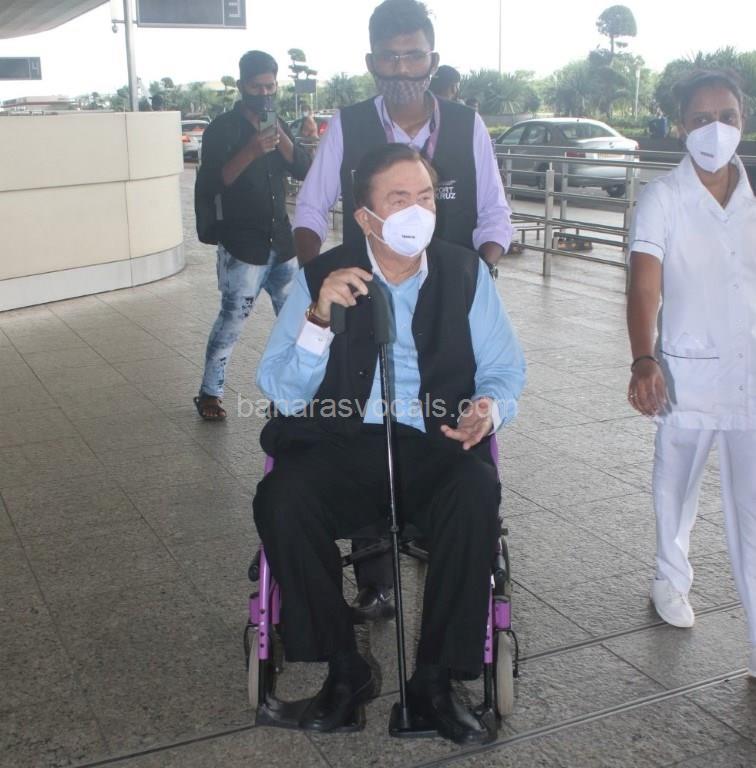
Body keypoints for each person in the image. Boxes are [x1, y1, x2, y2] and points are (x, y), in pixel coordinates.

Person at [253, 143, 525, 742]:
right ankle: (344, 670)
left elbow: (505, 369)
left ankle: (434, 682)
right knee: (282, 497)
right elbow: (279, 388)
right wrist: (318, 320)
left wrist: (488, 408)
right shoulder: (321, 277)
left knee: (475, 492)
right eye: (399, 200)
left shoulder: (465, 273)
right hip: (342, 440)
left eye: (425, 197)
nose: (416, 211)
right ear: (366, 217)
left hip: (434, 440)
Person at [293, 0, 513, 618]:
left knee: (446, 413)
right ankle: (376, 578)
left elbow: (495, 214)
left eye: (413, 55)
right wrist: (314, 282)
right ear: (371, 62)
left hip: (449, 299)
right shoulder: (349, 124)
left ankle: (449, 536)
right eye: (389, 58)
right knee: (360, 409)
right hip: (363, 294)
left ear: (432, 59)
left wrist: (477, 275)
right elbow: (310, 209)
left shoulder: (467, 125)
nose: (402, 68)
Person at [626, 69, 755, 677]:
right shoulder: (663, 197)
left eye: (726, 117)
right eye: (701, 119)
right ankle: (670, 578)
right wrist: (644, 358)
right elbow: (643, 286)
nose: (715, 130)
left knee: (751, 514)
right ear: (681, 127)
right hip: (685, 372)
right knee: (675, 490)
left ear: (743, 122)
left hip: (751, 373)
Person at [193, 51, 311, 420]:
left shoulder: (278, 123)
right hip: (242, 246)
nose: (265, 93)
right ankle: (210, 393)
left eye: (270, 86)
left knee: (294, 323)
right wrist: (251, 150)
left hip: (282, 242)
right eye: (257, 87)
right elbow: (214, 182)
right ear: (243, 85)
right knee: (232, 321)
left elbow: (304, 169)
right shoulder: (222, 129)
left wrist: (281, 138)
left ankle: (288, 394)